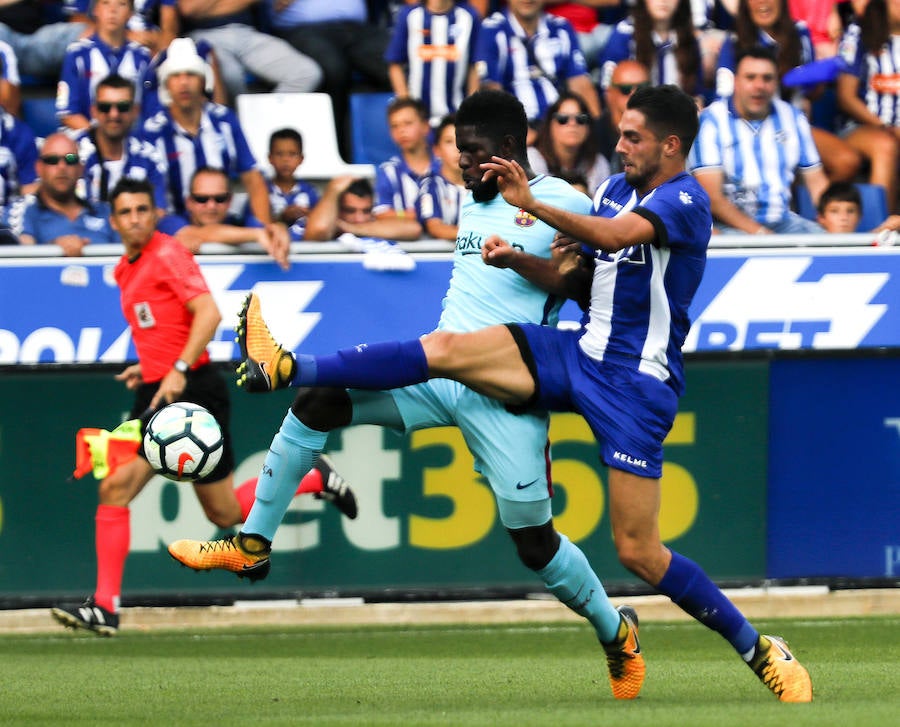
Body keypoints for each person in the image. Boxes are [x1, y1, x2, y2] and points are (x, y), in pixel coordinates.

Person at [176, 84, 813, 703]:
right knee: (405, 366)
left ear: (671, 145)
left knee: (629, 552)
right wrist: (522, 259)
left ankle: (753, 648)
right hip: (570, 352)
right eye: (619, 133)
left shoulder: (680, 199)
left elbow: (612, 242)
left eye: (632, 137)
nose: (618, 145)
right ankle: (268, 471)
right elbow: (578, 278)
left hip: (632, 383)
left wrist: (532, 209)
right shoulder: (603, 191)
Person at [49, 177, 356, 637]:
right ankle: (313, 476)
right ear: (113, 221)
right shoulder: (125, 269)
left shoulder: (168, 253)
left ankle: (106, 607)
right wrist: (148, 366)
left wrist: (176, 367)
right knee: (224, 514)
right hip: (159, 387)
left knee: (117, 488)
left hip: (190, 390)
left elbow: (208, 313)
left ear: (155, 214)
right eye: (125, 212)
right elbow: (161, 326)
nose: (134, 219)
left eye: (142, 210)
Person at [140, 38, 290, 268]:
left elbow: (253, 179)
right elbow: (157, 208)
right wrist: (255, 234)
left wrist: (266, 228)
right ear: (166, 83)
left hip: (224, 215)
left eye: (191, 75)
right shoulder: (152, 132)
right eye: (176, 76)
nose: (184, 83)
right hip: (174, 221)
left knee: (260, 223)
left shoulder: (225, 120)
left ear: (204, 80)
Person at [716, 0, 862, 184]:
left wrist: (817, 77)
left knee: (847, 161)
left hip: (794, 125)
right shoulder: (733, 41)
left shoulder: (800, 32)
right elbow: (724, 100)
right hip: (748, 126)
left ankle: (812, 198)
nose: (762, 2)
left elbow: (813, 94)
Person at [688, 46, 828, 234]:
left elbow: (816, 182)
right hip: (728, 226)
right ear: (736, 81)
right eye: (751, 77)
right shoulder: (711, 121)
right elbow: (712, 197)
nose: (759, 86)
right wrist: (760, 234)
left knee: (829, 241)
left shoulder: (793, 118)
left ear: (776, 82)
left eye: (767, 78)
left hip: (784, 222)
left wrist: (832, 219)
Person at [267, 0, 392, 159]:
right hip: (302, 29)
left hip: (357, 28)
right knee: (334, 69)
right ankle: (337, 155)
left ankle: (406, 153)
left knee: (397, 63)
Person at [474, 0, 601, 130]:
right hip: (517, 128)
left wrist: (597, 132)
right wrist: (520, 132)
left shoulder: (561, 27)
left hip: (559, 125)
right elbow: (491, 91)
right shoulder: (492, 29)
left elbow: (580, 84)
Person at [174, 0, 322, 103]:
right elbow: (189, 8)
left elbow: (279, 6)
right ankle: (234, 129)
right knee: (231, 76)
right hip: (203, 36)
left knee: (305, 72)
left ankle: (264, 124)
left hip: (247, 33)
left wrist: (211, 7)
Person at [3, 132, 119, 253]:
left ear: (81, 169)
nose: (62, 167)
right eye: (52, 160)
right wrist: (54, 250)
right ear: (39, 168)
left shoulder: (105, 212)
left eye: (70, 159)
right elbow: (19, 257)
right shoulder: (22, 211)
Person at [835, 0, 900, 212]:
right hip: (861, 127)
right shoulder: (859, 33)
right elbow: (846, 97)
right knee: (885, 145)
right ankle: (882, 226)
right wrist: (885, 126)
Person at [56, 0, 153, 133]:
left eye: (121, 4)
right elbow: (67, 114)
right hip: (85, 137)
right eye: (106, 3)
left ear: (131, 13)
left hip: (131, 138)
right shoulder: (77, 54)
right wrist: (100, 139)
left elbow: (149, 110)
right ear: (95, 10)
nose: (113, 10)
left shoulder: (142, 57)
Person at [75, 73, 168, 211]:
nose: (114, 114)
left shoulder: (149, 156)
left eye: (123, 106)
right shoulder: (73, 153)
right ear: (93, 111)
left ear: (135, 111)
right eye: (105, 107)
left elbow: (159, 211)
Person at [159, 166, 293, 260]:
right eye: (202, 199)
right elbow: (200, 233)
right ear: (189, 202)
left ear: (230, 200)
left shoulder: (242, 223)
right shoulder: (169, 223)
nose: (211, 206)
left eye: (220, 198)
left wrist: (278, 228)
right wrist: (255, 235)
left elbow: (268, 232)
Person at [386, 0, 481, 126]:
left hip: (456, 117)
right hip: (419, 122)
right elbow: (394, 64)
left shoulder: (469, 16)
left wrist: (470, 111)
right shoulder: (409, 15)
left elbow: (474, 66)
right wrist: (409, 109)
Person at [599, 0, 705, 102]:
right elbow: (608, 89)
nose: (663, 1)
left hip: (678, 111)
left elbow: (697, 93)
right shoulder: (625, 33)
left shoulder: (688, 38)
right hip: (633, 110)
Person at [372, 97, 438, 239]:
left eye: (408, 123)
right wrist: (419, 215)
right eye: (394, 126)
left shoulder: (444, 166)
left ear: (426, 127)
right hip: (403, 246)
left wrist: (401, 214)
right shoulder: (388, 171)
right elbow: (381, 214)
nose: (401, 131)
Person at [527, 90, 611, 196]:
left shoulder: (598, 163)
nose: (572, 124)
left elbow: (601, 204)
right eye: (563, 119)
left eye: (580, 119)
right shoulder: (531, 158)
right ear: (549, 125)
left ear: (588, 127)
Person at [303, 175, 422, 242]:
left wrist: (351, 228)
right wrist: (333, 191)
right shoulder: (317, 222)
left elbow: (414, 229)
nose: (359, 219)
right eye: (350, 211)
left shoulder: (372, 223)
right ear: (336, 208)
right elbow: (319, 231)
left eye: (366, 211)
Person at [263, 128, 320, 242]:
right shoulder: (261, 191)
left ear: (301, 159)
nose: (285, 160)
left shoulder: (310, 192)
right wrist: (281, 217)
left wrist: (308, 214)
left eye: (292, 154)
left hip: (305, 248)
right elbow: (252, 224)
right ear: (270, 158)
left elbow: (321, 221)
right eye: (279, 154)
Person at [415, 113, 466, 240]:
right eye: (449, 141)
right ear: (437, 150)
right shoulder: (430, 185)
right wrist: (480, 237)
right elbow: (435, 227)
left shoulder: (487, 184)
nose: (457, 148)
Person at [596, 59, 651, 174]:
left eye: (642, 89)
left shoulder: (662, 131)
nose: (634, 95)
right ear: (609, 94)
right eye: (625, 89)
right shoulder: (593, 135)